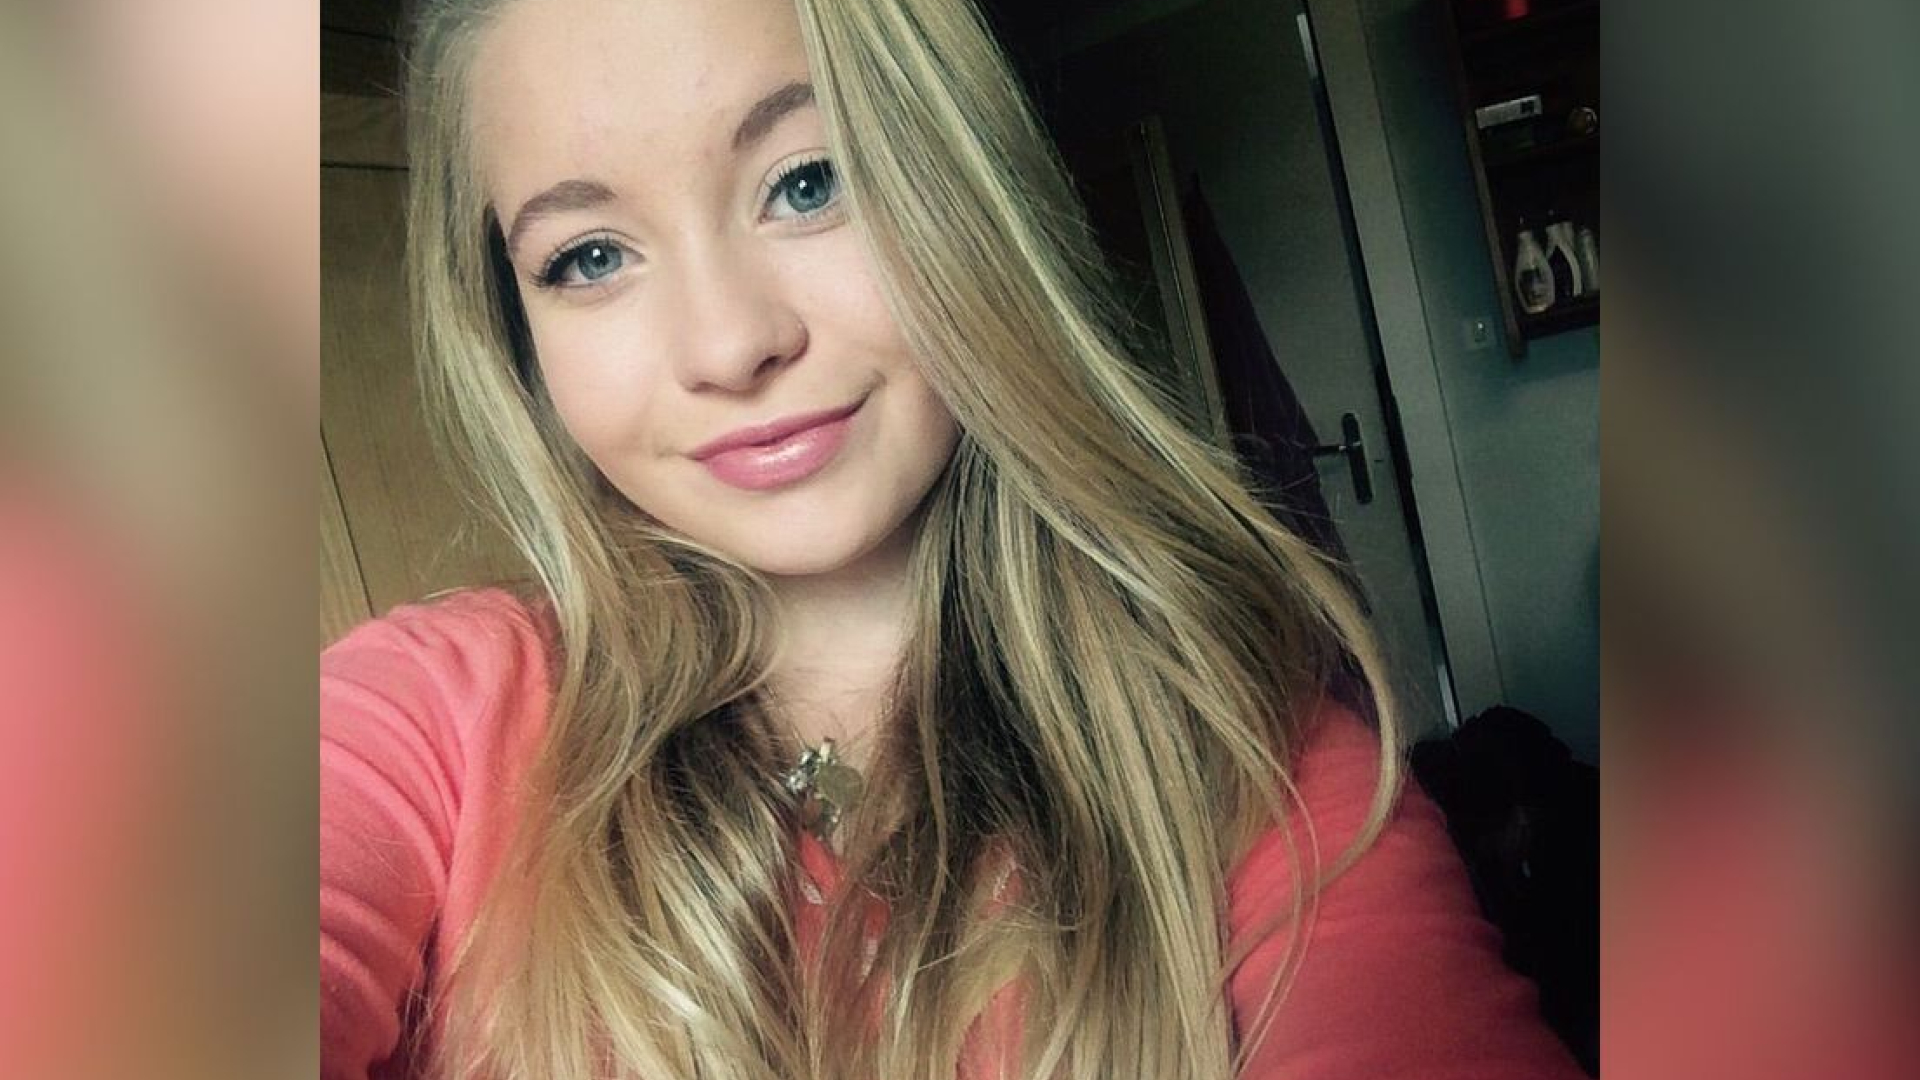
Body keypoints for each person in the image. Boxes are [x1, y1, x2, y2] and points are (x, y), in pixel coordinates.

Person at [320, 0, 1587, 1077]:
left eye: (808, 182)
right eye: (591, 256)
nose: (729, 344)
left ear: (963, 189)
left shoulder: (1244, 757)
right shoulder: (432, 721)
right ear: (517, 335)